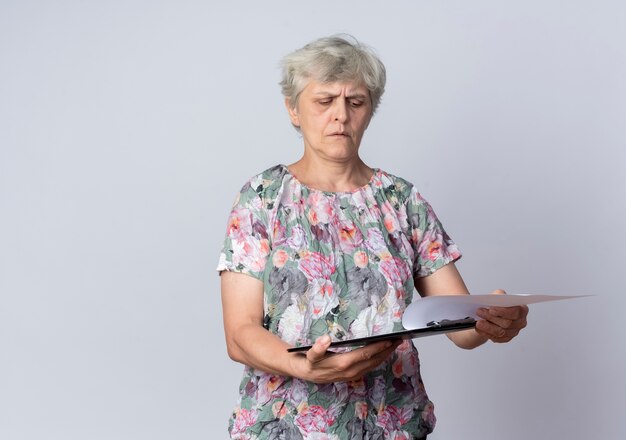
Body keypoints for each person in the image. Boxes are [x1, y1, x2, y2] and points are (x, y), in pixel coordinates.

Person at [217, 35, 528, 439]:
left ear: (369, 111)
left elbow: (458, 327)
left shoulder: (402, 201)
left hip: (389, 422)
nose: (340, 116)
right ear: (294, 109)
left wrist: (492, 321)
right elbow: (239, 334)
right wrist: (301, 365)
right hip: (286, 426)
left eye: (356, 102)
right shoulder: (261, 198)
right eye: (324, 101)